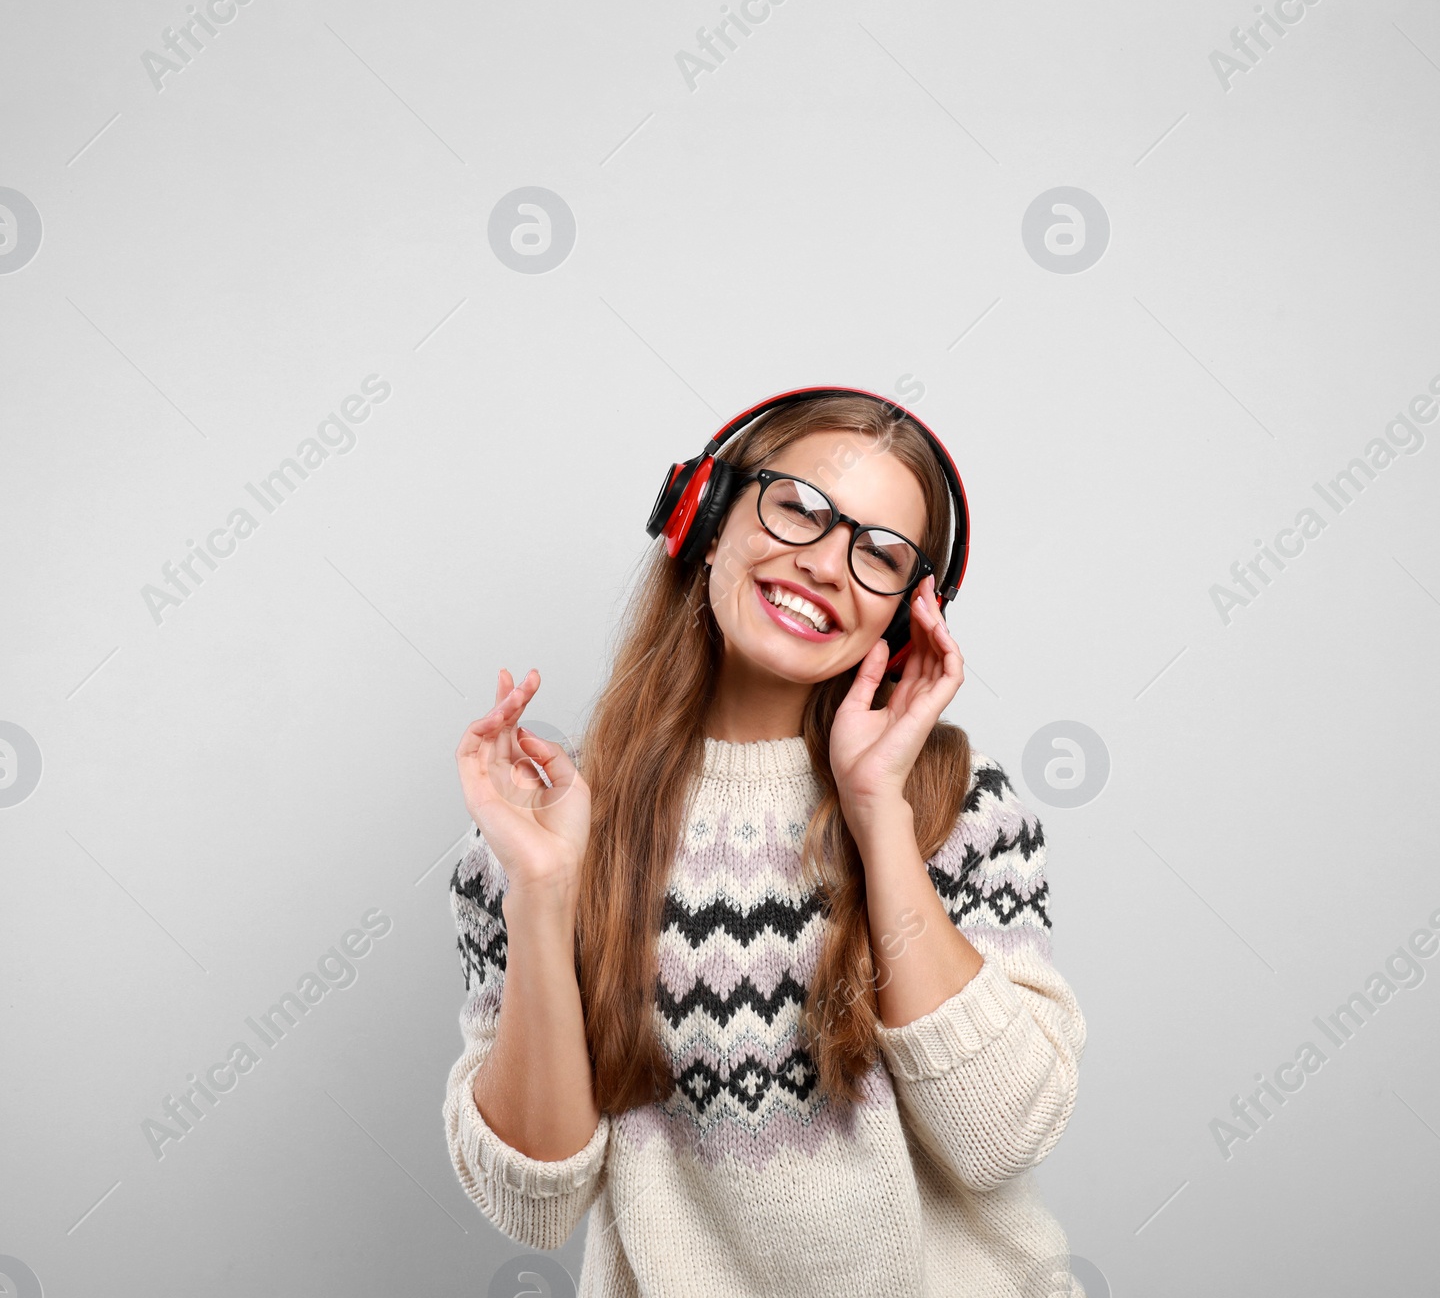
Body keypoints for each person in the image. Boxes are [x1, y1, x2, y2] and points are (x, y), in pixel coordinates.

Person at [442, 388, 1087, 1297]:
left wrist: (877, 812)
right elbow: (534, 1207)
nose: (828, 564)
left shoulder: (958, 808)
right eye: (799, 508)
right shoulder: (548, 824)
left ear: (908, 614)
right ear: (704, 517)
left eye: (881, 555)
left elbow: (1000, 1135)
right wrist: (543, 890)